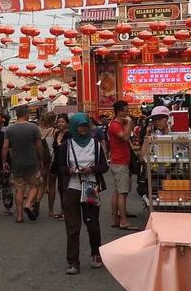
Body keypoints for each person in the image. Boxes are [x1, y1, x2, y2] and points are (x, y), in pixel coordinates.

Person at [54, 113, 109, 274]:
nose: (83, 129)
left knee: (92, 223)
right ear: (74, 127)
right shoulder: (66, 145)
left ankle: (96, 254)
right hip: (72, 187)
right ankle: (73, 262)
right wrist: (69, 170)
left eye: (85, 126)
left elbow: (104, 166)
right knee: (72, 226)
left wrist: (91, 169)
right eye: (80, 126)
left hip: (91, 186)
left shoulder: (96, 145)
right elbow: (59, 167)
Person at [3, 106, 44, 223]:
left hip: (16, 163)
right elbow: (39, 146)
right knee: (34, 186)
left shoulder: (9, 129)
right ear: (26, 114)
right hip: (32, 162)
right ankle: (28, 203)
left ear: (16, 114)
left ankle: (19, 216)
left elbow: (5, 147)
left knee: (19, 190)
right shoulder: (34, 127)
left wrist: (4, 161)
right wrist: (41, 159)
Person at [106, 100, 139, 230]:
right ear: (119, 112)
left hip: (118, 161)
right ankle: (123, 221)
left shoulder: (117, 124)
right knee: (122, 192)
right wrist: (129, 123)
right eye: (126, 110)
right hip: (119, 162)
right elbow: (124, 137)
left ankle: (116, 218)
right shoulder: (115, 125)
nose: (128, 113)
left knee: (118, 191)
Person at [43, 114, 67, 220]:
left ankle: (64, 211)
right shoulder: (56, 133)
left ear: (67, 124)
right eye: (59, 122)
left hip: (64, 164)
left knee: (62, 187)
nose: (60, 124)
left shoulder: (69, 135)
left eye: (63, 122)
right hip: (54, 162)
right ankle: (51, 210)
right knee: (51, 186)